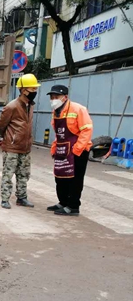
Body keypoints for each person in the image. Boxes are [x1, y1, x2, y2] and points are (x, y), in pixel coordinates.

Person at [47, 85, 93, 216]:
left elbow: (87, 129)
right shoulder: (56, 111)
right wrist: (54, 148)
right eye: (51, 97)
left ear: (65, 97)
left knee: (75, 179)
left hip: (77, 149)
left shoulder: (78, 109)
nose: (53, 99)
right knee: (60, 177)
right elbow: (58, 133)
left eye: (56, 97)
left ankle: (73, 206)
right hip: (62, 149)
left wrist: (77, 150)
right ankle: (62, 202)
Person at [0, 73, 39, 209]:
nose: (34, 92)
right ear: (23, 90)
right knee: (8, 174)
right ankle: (5, 199)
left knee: (24, 174)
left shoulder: (30, 105)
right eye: (32, 89)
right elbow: (0, 126)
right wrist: (8, 138)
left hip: (25, 147)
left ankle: (22, 198)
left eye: (35, 89)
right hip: (12, 147)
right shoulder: (12, 106)